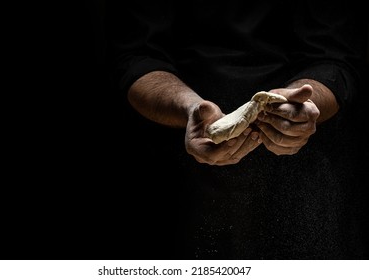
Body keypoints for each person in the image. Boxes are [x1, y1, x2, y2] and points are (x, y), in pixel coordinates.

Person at [107, 0, 368, 259]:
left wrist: (302, 105)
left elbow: (336, 59)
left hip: (301, 167)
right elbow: (135, 57)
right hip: (176, 169)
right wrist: (190, 108)